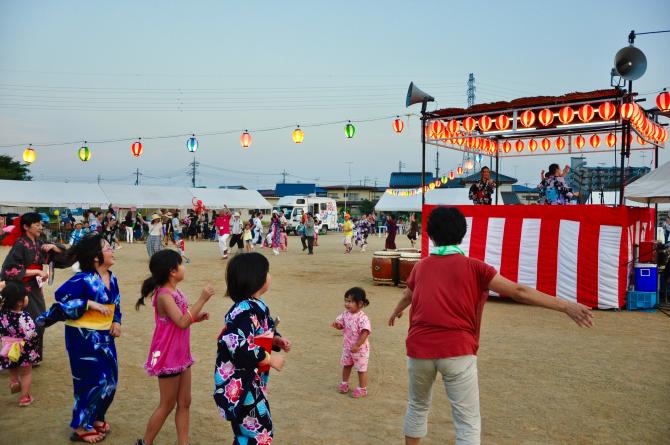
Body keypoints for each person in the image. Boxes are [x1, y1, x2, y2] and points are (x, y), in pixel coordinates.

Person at [388, 206, 594, 445]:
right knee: (467, 422)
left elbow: (408, 293)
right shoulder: (476, 267)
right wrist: (565, 306)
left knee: (417, 406)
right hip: (458, 351)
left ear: (431, 236)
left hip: (419, 349)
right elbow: (519, 291)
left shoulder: (422, 266)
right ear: (462, 234)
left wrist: (397, 310)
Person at [37, 234, 123, 443]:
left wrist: (116, 321)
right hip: (82, 339)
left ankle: (96, 417)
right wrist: (88, 304)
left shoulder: (112, 278)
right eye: (107, 247)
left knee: (110, 379)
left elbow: (116, 306)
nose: (112, 250)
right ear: (96, 257)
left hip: (105, 337)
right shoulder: (82, 279)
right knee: (90, 381)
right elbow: (62, 298)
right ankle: (81, 426)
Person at [135, 250, 215, 445]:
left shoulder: (174, 291)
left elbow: (181, 319)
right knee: (167, 404)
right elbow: (180, 321)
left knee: (185, 402)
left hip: (180, 353)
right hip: (167, 353)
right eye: (181, 264)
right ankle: (145, 443)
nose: (184, 268)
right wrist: (202, 299)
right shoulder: (164, 295)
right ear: (172, 271)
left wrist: (196, 317)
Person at [214, 252, 291, 445]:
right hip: (243, 384)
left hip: (252, 381)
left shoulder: (255, 307)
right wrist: (270, 359)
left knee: (250, 434)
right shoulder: (244, 311)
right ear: (255, 279)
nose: (269, 276)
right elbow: (237, 345)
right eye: (266, 272)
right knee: (259, 433)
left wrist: (275, 340)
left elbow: (259, 334)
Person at [1, 212, 68, 364]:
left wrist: (54, 247)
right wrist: (37, 271)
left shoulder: (39, 242)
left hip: (34, 287)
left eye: (40, 224)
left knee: (38, 320)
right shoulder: (20, 244)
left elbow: (56, 257)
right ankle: (19, 356)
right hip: (19, 289)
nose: (40, 227)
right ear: (26, 227)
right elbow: (9, 270)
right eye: (36, 225)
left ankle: (31, 355)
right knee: (21, 323)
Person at [0, 281, 39, 407]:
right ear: (20, 302)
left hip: (8, 347)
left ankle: (13, 381)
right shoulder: (24, 317)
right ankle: (24, 398)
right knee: (26, 372)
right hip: (23, 348)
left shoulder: (3, 315)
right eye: (25, 296)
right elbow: (31, 333)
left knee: (13, 365)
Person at [331, 287, 371, 398]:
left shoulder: (363, 318)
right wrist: (338, 325)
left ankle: (363, 389)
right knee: (346, 365)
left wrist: (358, 345)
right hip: (348, 347)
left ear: (360, 303)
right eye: (346, 301)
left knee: (361, 369)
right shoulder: (345, 314)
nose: (347, 304)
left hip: (360, 349)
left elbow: (365, 332)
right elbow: (341, 324)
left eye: (351, 301)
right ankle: (344, 383)